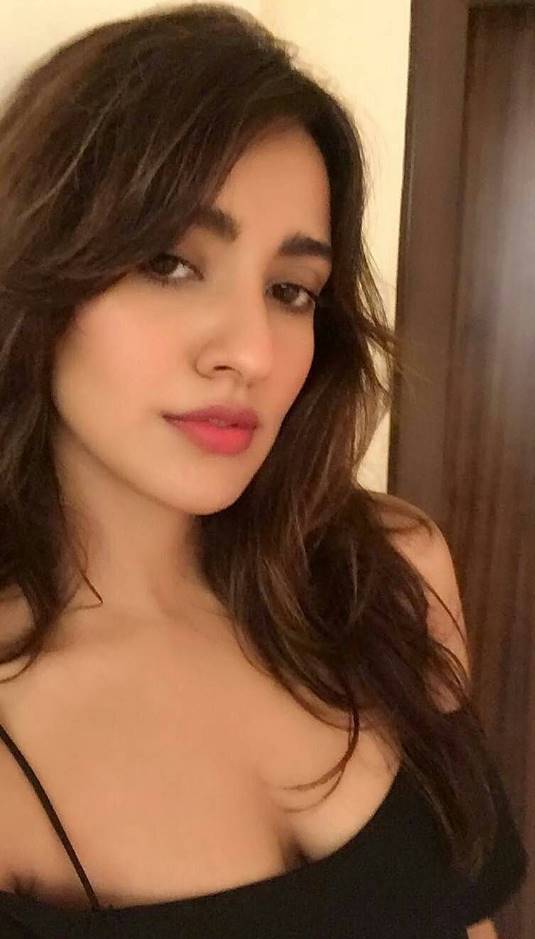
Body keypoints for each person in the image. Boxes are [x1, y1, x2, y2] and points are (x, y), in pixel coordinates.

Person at [0, 4, 527, 937]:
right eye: (168, 263)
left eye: (290, 290)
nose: (250, 350)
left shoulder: (388, 574)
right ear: (38, 268)